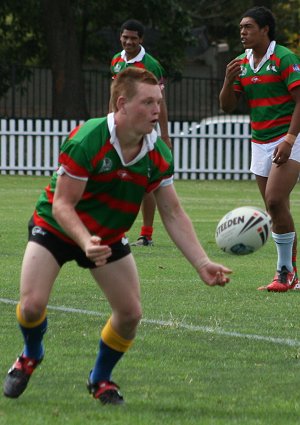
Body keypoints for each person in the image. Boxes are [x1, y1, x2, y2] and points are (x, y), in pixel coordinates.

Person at [3, 67, 232, 405]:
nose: (157, 110)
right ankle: (30, 354)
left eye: (159, 102)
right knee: (32, 305)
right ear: (122, 104)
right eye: (148, 102)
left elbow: (172, 212)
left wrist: (202, 263)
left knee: (130, 314)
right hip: (56, 228)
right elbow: (63, 205)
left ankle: (100, 380)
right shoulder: (88, 138)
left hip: (108, 236)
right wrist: (84, 241)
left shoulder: (157, 153)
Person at [219, 6, 300, 292]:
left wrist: (289, 139)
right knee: (274, 207)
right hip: (260, 142)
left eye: (249, 27)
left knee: (276, 200)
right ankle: (289, 275)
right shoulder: (241, 62)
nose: (242, 32)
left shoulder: (284, 58)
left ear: (265, 29)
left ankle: (285, 273)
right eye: (241, 27)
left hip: (290, 137)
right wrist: (228, 80)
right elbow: (227, 106)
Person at [111, 19, 172, 247]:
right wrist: (110, 122)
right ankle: (117, 231)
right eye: (125, 37)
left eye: (133, 38)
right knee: (116, 179)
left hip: (145, 131)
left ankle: (146, 234)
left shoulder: (151, 65)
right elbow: (114, 94)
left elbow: (161, 102)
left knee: (145, 180)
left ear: (141, 40)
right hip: (121, 131)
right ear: (121, 37)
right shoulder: (116, 61)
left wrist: (164, 135)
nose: (128, 41)